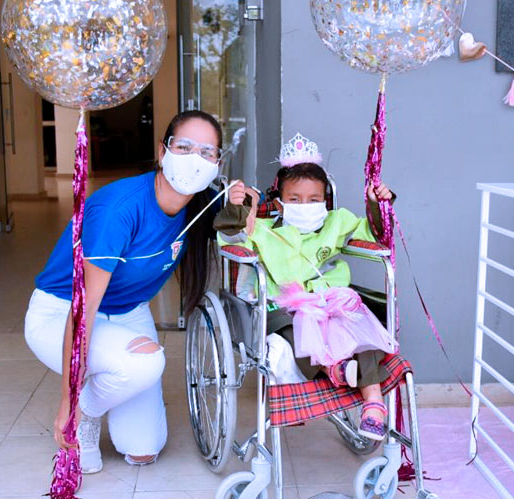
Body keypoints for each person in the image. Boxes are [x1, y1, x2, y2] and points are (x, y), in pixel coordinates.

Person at [25, 110, 226, 474]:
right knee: (145, 363)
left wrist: (248, 200)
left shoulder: (203, 204)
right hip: (63, 312)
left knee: (143, 449)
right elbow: (83, 313)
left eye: (206, 151)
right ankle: (85, 414)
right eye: (184, 147)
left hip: (128, 311)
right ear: (163, 151)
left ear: (217, 164)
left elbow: (254, 208)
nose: (195, 159)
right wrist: (68, 402)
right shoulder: (118, 209)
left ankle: (96, 397)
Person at [213, 133, 397, 441]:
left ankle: (374, 402)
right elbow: (232, 238)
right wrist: (238, 207)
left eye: (314, 200)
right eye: (295, 200)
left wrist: (377, 204)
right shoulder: (264, 230)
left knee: (359, 328)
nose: (305, 206)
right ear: (280, 203)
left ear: (325, 201)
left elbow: (376, 234)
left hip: (331, 299)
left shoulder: (338, 222)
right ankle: (331, 370)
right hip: (285, 305)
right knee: (289, 328)